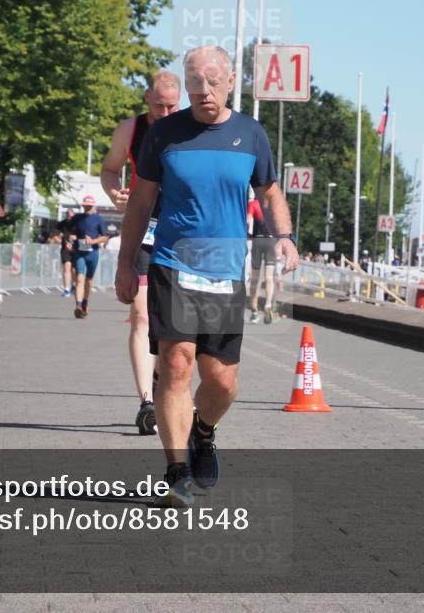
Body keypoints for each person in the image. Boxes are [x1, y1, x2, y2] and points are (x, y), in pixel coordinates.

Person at [115, 45, 299, 506]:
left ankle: (204, 431)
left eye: (213, 83)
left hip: (223, 271)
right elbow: (140, 202)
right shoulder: (164, 135)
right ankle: (177, 471)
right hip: (172, 264)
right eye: (195, 86)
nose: (204, 93)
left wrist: (285, 236)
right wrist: (125, 260)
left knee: (221, 382)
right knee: (175, 365)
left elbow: (271, 192)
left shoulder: (251, 135)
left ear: (232, 80)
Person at [100, 70, 181, 435]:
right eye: (159, 105)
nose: (166, 112)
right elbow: (109, 169)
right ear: (147, 97)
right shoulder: (129, 130)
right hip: (144, 227)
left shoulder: (190, 127)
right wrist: (113, 192)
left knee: (177, 322)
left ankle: (167, 380)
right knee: (141, 314)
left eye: (173, 106)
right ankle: (147, 402)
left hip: (181, 232)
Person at [71, 195, 107, 318]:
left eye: (89, 206)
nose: (87, 208)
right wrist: (69, 238)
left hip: (93, 253)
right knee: (79, 278)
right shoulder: (77, 218)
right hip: (79, 252)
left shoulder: (98, 219)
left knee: (89, 280)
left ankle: (85, 301)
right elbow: (68, 231)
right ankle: (78, 306)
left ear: (93, 205)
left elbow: (105, 237)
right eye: (85, 205)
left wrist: (93, 241)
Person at [246, 196, 277, 323]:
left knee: (255, 279)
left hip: (258, 241)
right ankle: (268, 304)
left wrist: (247, 235)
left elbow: (248, 221)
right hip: (271, 241)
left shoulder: (253, 204)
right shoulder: (274, 205)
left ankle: (254, 311)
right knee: (269, 277)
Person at [57, 208, 77, 296]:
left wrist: (76, 238)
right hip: (65, 249)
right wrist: (61, 240)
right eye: (68, 215)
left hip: (76, 249)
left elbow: (83, 235)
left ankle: (74, 285)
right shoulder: (62, 224)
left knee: (74, 270)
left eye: (71, 216)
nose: (69, 217)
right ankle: (66, 289)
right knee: (67, 266)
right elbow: (55, 235)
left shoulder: (78, 224)